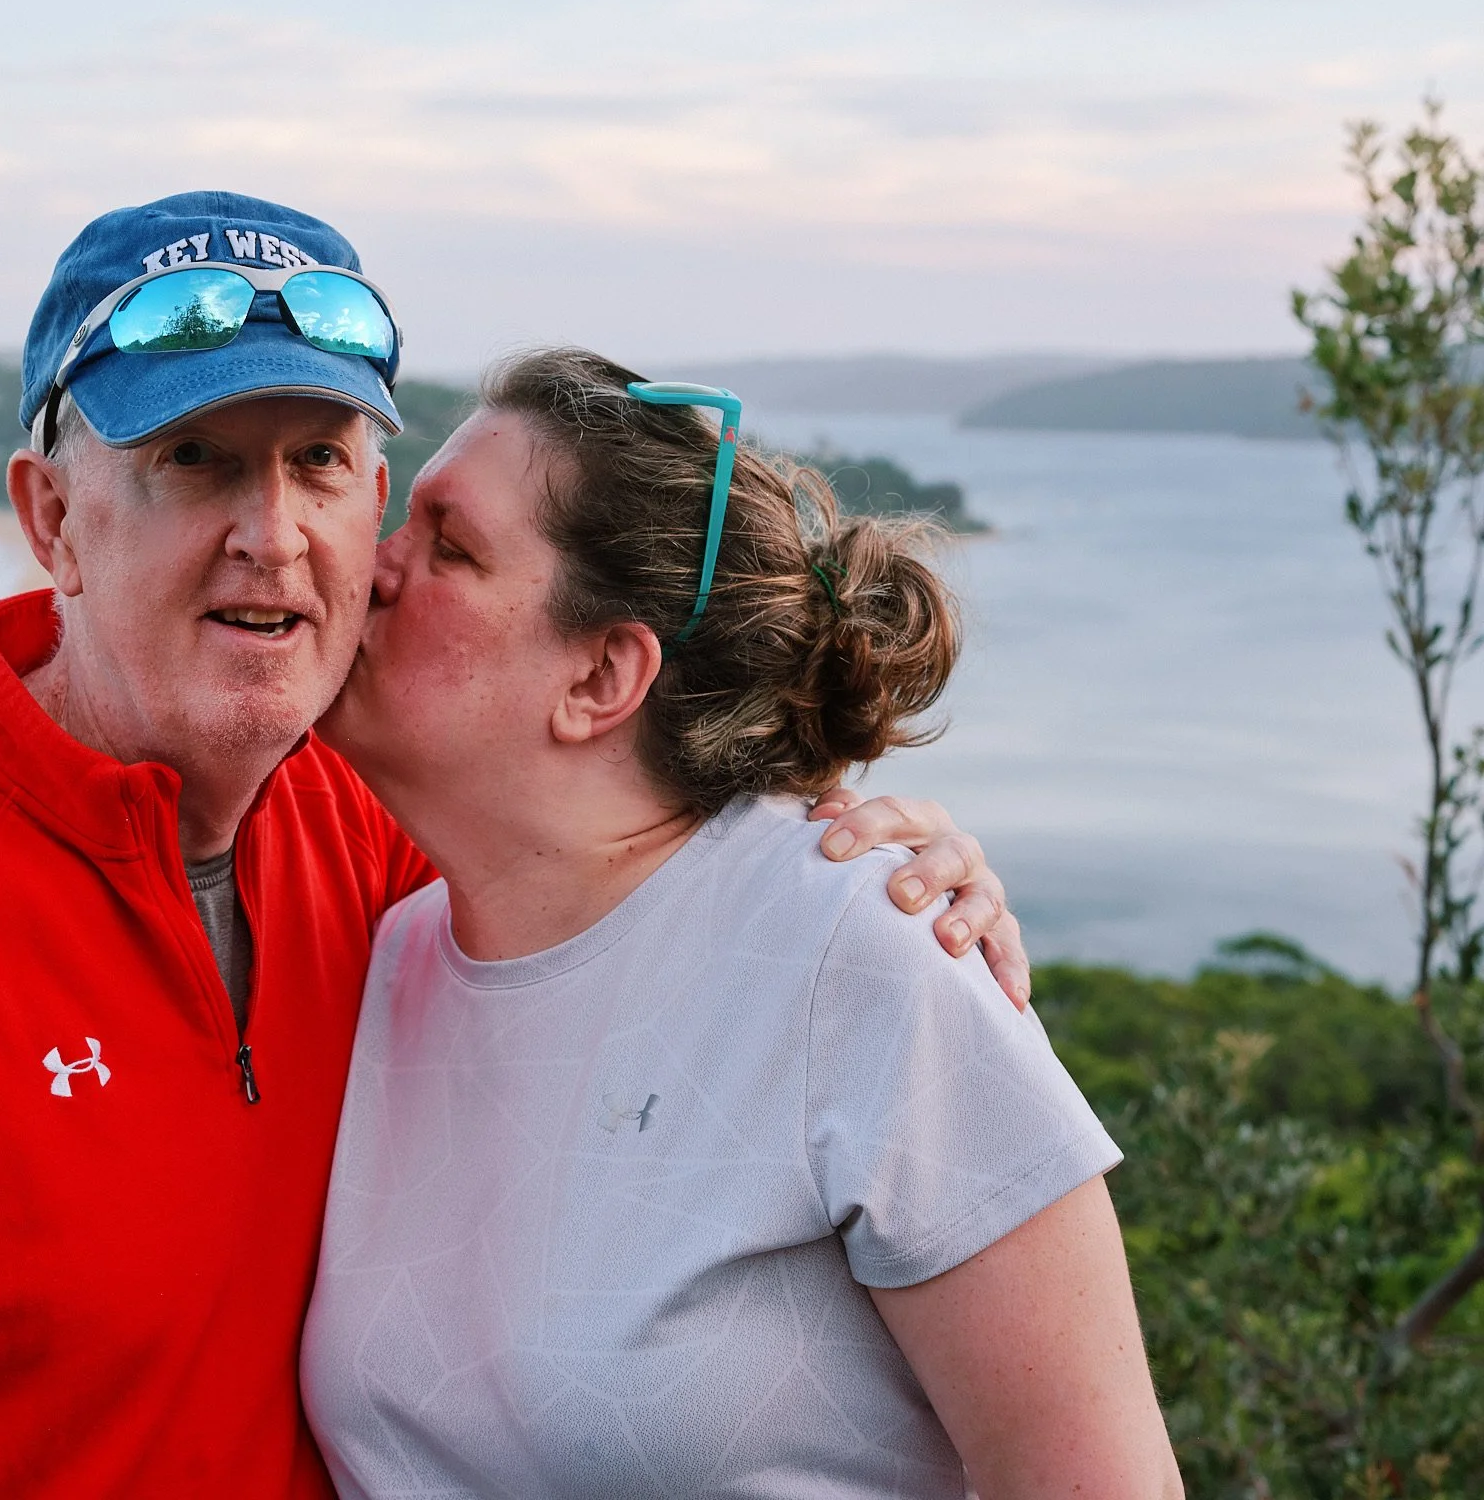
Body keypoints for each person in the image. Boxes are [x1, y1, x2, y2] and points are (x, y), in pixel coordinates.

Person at [0, 196, 1025, 1496]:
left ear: (374, 513)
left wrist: (851, 843)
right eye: (196, 462)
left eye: (318, 460)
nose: (272, 532)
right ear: (53, 518)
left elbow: (625, 862)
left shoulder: (391, 848)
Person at [302, 349, 1182, 1499]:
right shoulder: (384, 961)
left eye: (447, 549)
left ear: (600, 675)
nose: (370, 569)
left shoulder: (856, 957)